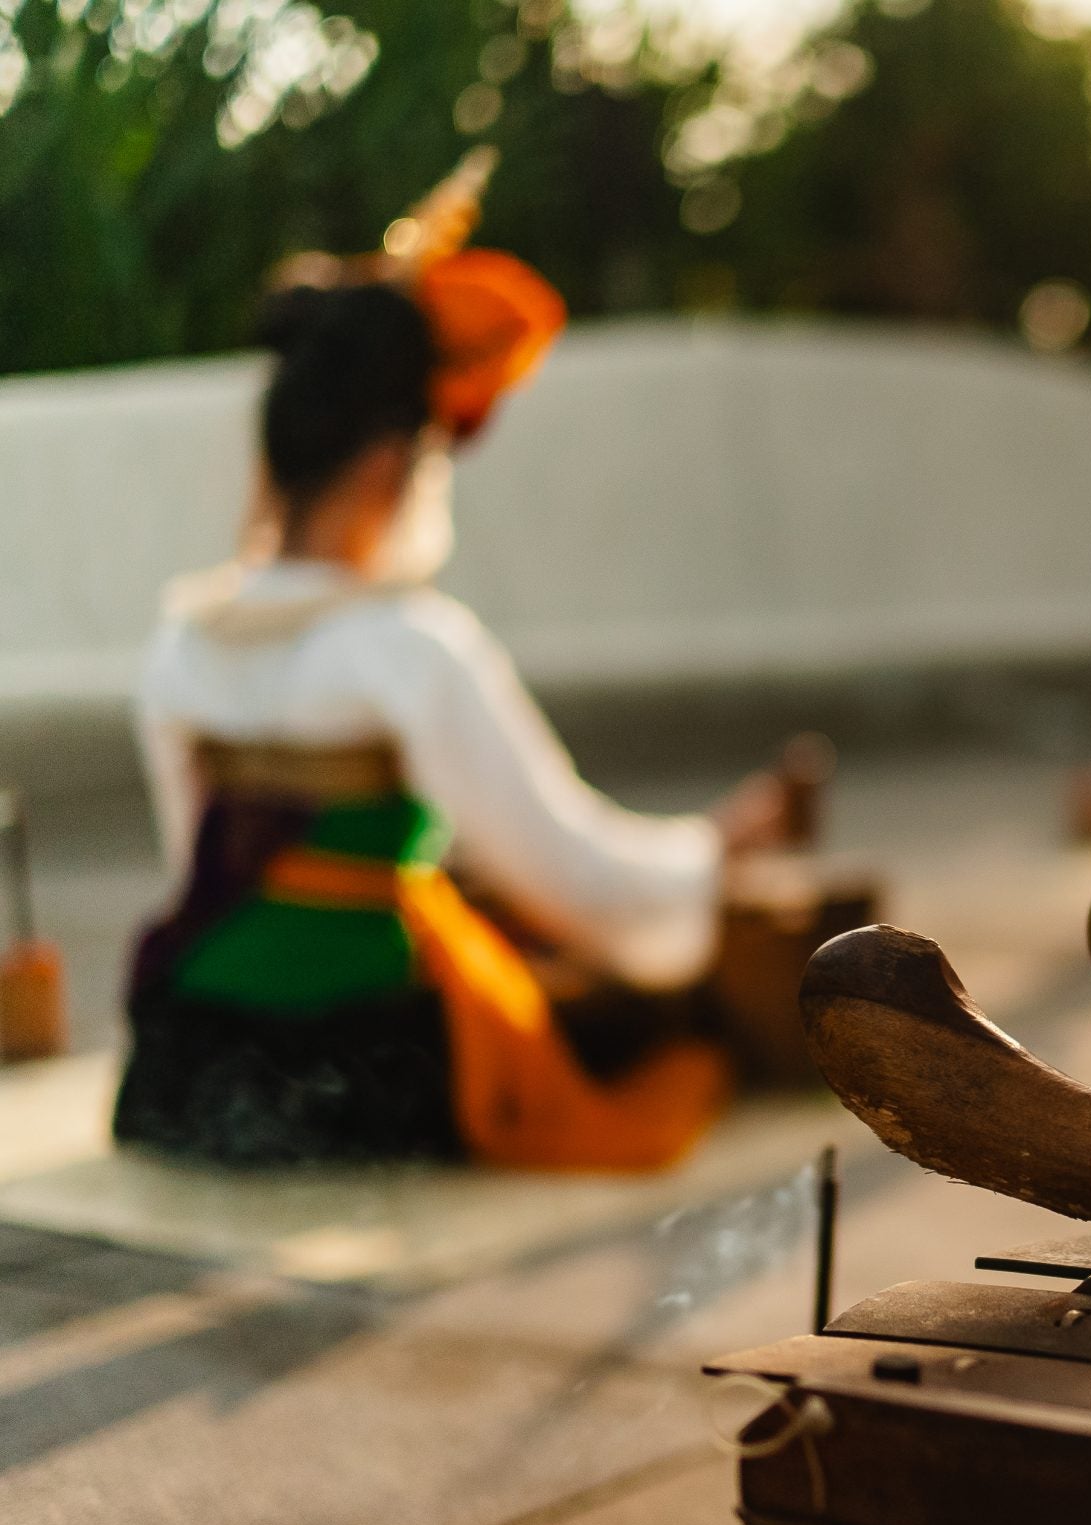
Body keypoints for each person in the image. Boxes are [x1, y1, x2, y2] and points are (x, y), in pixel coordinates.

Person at [115, 155, 789, 1172]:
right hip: (353, 1065)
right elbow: (571, 870)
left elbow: (196, 867)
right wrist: (707, 853)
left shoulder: (180, 641)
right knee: (655, 1028)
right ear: (394, 461)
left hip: (187, 1060)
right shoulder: (407, 648)